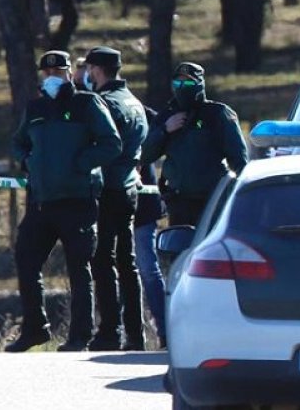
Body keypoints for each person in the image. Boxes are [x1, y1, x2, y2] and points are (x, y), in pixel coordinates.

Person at [5, 51, 122, 353]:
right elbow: (18, 143)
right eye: (47, 73)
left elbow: (111, 143)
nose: (51, 78)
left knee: (79, 269)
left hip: (77, 201)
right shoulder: (36, 108)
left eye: (57, 72)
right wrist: (28, 161)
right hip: (41, 202)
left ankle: (80, 336)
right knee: (26, 259)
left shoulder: (87, 104)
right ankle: (35, 329)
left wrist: (81, 164)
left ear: (70, 73)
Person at [81, 46, 149, 352]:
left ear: (96, 70)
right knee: (127, 262)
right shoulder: (134, 102)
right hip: (129, 187)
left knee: (103, 260)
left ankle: (109, 330)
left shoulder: (104, 102)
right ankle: (135, 333)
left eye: (89, 69)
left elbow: (100, 144)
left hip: (107, 187)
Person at [142, 62, 249, 227]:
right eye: (178, 83)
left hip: (212, 200)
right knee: (178, 242)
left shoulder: (217, 114)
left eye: (188, 83)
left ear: (199, 85)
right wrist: (165, 130)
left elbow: (239, 159)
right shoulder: (167, 116)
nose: (182, 87)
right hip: (178, 202)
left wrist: (242, 195)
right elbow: (145, 155)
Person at [133, 106, 168, 349]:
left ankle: (165, 330)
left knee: (147, 268)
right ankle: (129, 333)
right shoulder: (89, 106)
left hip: (142, 205)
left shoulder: (139, 111)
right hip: (109, 204)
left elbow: (160, 138)